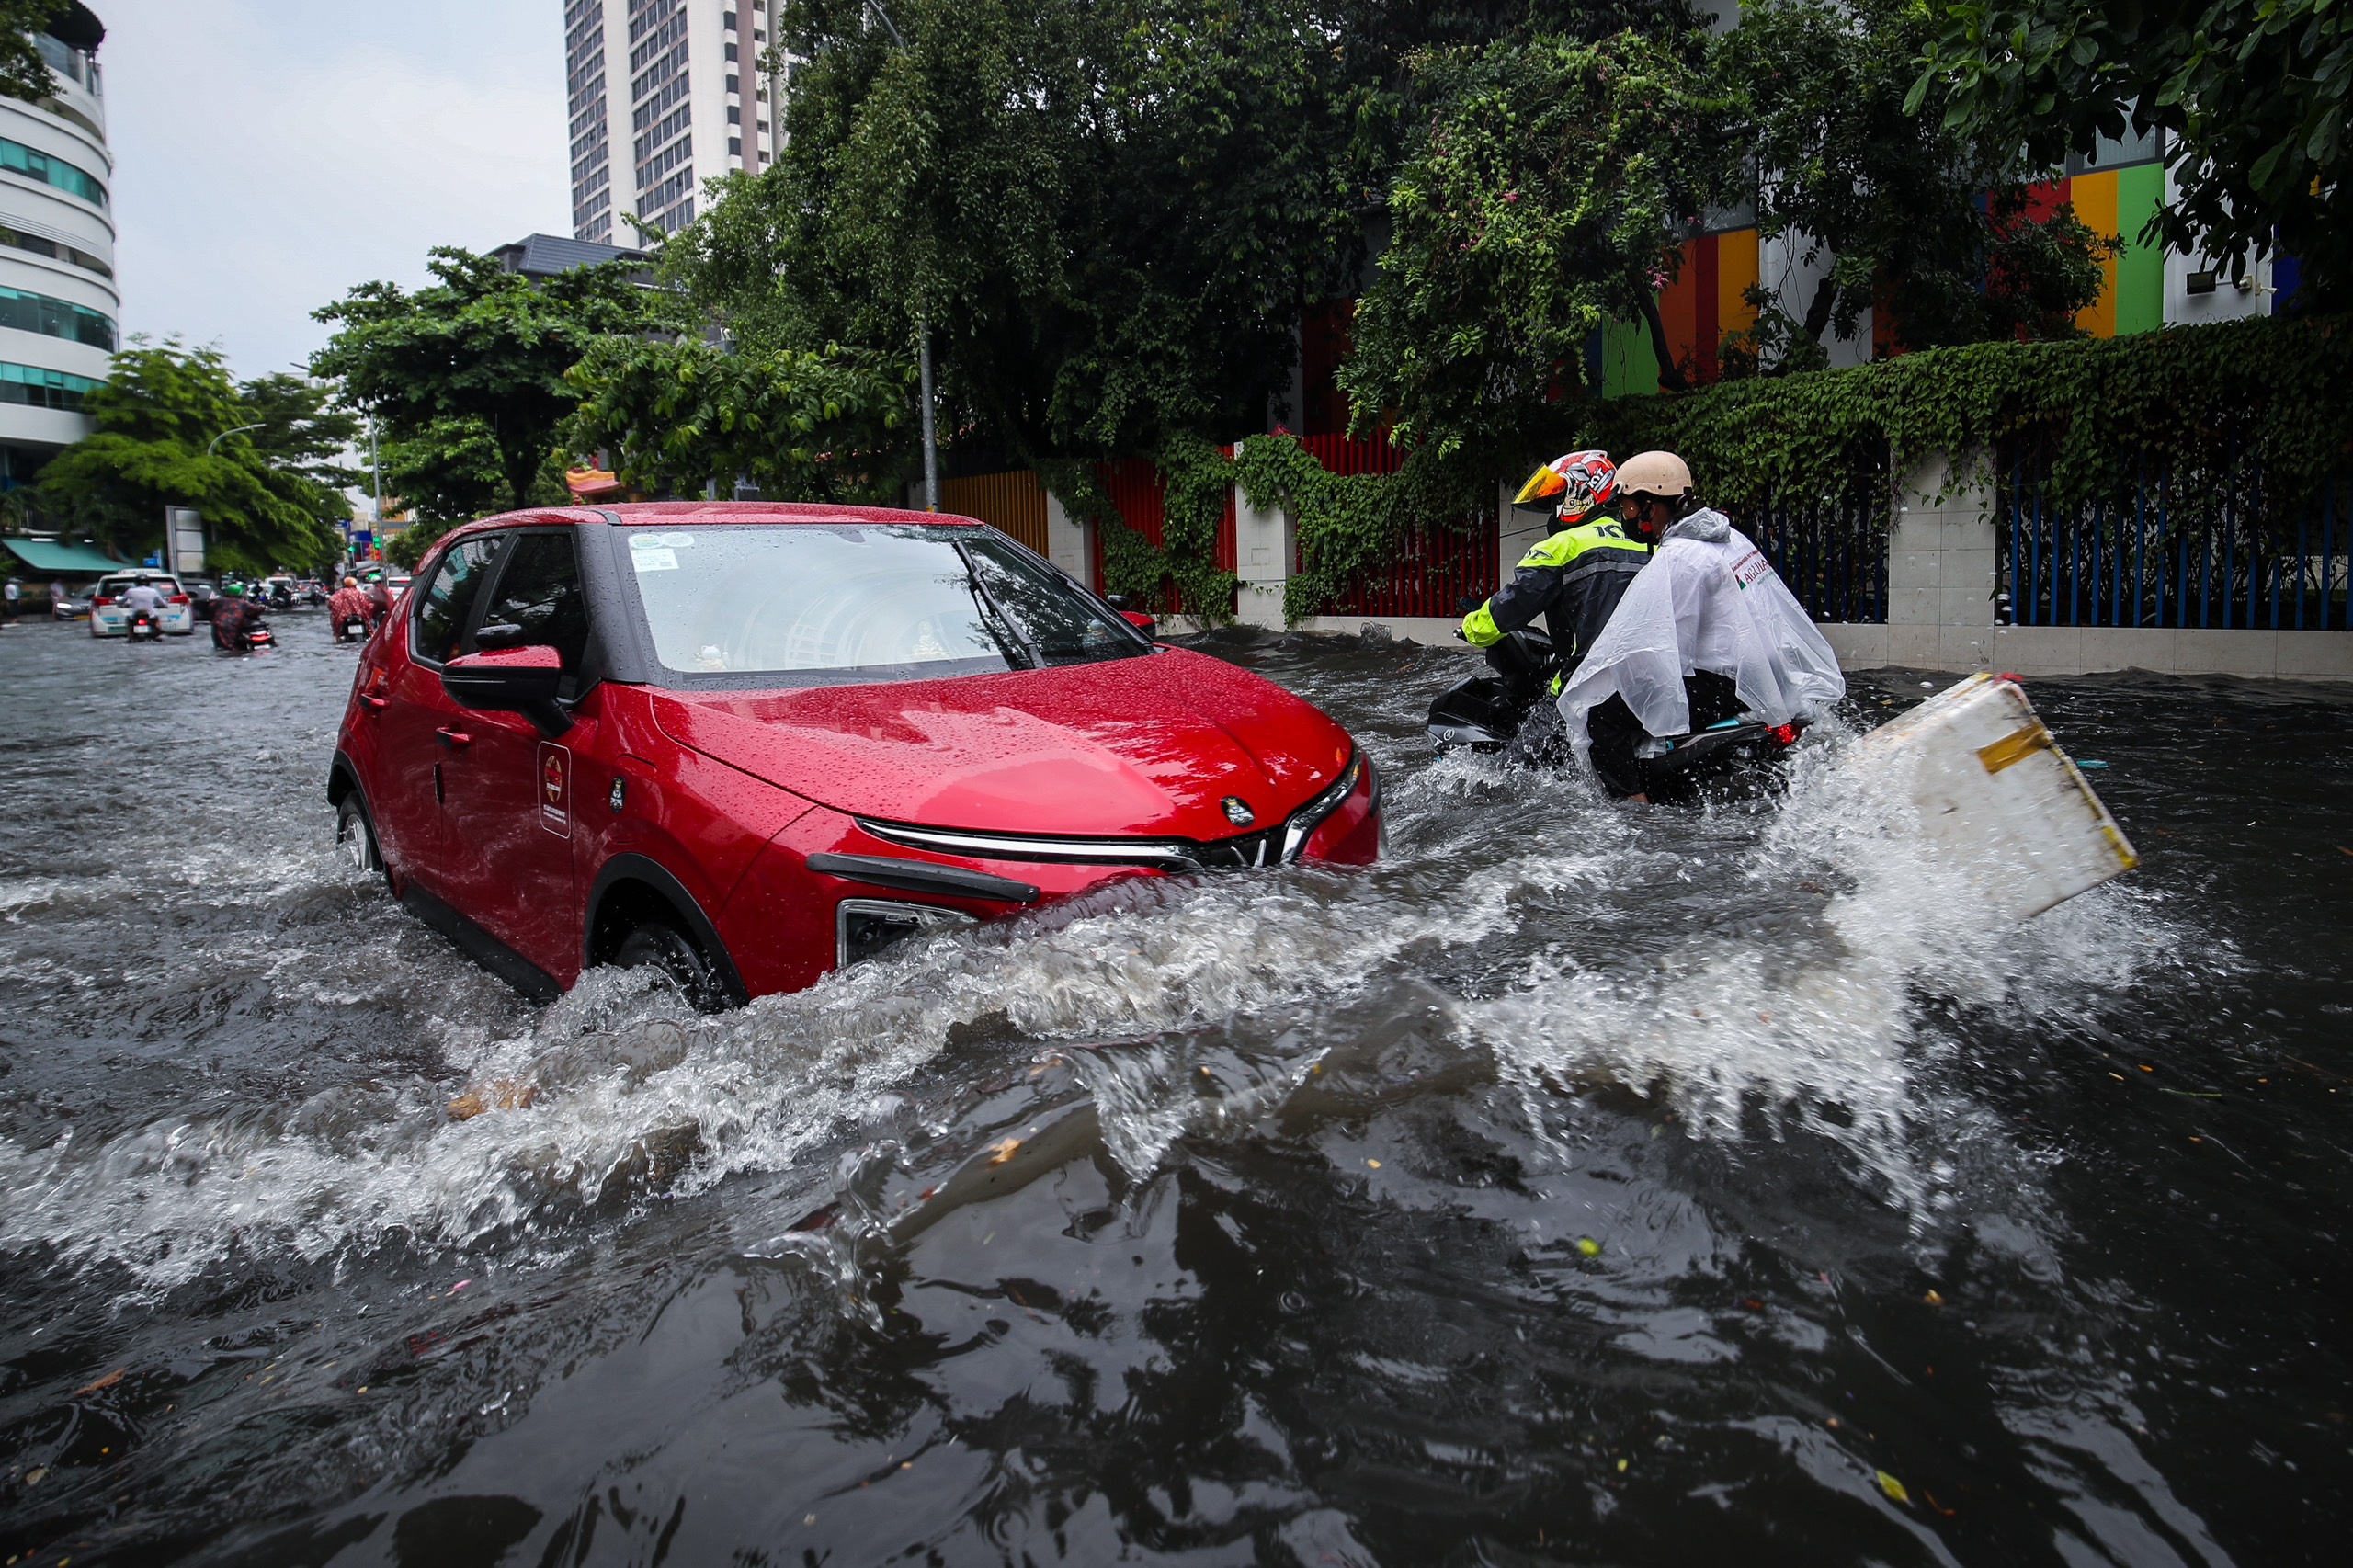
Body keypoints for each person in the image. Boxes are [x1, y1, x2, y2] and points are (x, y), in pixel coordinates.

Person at [1555, 450, 1847, 802]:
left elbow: (1668, 644)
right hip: (1765, 670)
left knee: (1600, 717)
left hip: (1727, 680)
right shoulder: (1728, 538)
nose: (1626, 516)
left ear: (1650, 505)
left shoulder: (1680, 557)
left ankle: (1635, 815)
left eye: (1629, 506)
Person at [1458, 450, 1654, 701]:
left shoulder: (1562, 546)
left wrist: (1471, 629)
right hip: (1647, 687)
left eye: (1558, 498)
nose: (1555, 509)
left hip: (1584, 686)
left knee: (1529, 741)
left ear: (1582, 492)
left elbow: (1514, 602)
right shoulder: (1648, 542)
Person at [328, 574, 368, 641]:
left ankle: (338, 636)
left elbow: (332, 601)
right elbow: (365, 604)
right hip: (359, 615)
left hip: (344, 616)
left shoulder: (340, 593)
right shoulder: (358, 593)